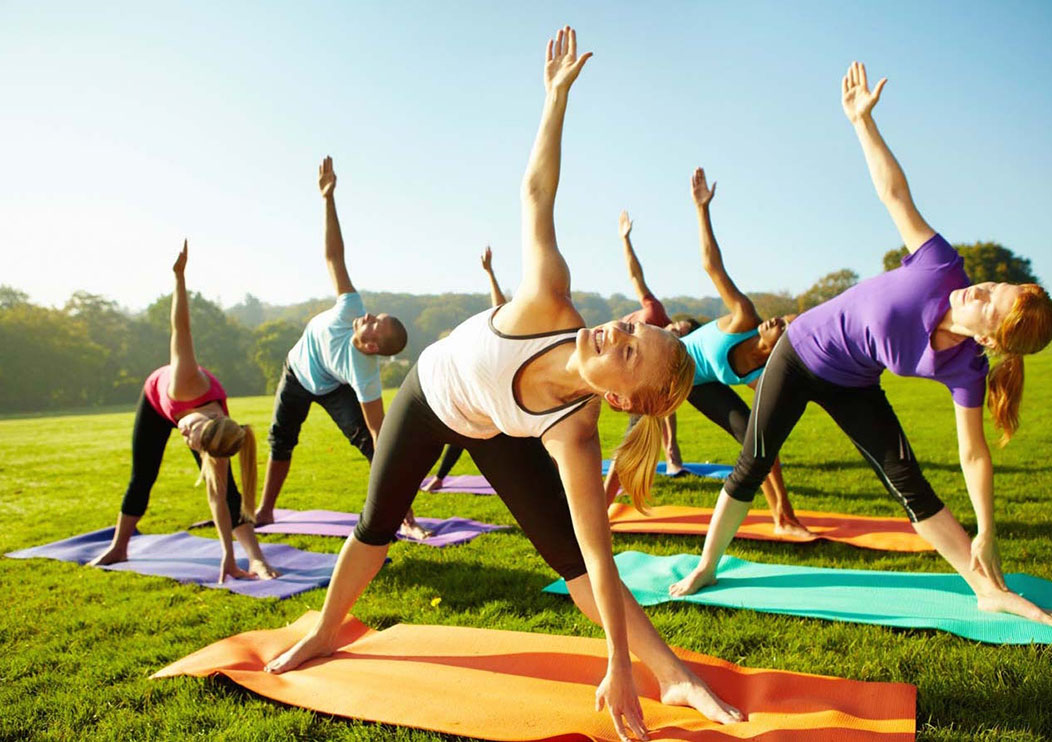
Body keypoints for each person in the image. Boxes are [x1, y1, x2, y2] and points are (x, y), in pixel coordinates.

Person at [265, 27, 744, 739]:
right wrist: (555, 99)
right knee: (376, 521)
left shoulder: (574, 434)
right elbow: (535, 192)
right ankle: (330, 629)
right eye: (629, 328)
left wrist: (621, 661)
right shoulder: (550, 299)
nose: (615, 331)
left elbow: (598, 563)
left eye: (626, 351)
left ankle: (669, 673)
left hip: (494, 426)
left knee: (571, 558)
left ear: (615, 397)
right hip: (429, 395)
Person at [669, 62, 1052, 631]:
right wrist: (862, 122)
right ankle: (708, 563)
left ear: (988, 337)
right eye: (992, 286)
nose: (979, 289)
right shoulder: (940, 266)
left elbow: (973, 454)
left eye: (990, 303)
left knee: (908, 482)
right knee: (753, 460)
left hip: (853, 382)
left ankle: (984, 589)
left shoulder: (966, 365)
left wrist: (987, 527)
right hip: (799, 352)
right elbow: (893, 193)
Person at [254, 156, 427, 540]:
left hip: (333, 387)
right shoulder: (350, 305)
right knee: (281, 438)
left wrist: (404, 504)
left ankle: (403, 516)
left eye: (373, 323)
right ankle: (265, 511)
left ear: (371, 345)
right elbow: (334, 256)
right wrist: (328, 198)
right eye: (373, 316)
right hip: (297, 372)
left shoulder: (364, 374)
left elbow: (379, 432)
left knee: (370, 445)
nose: (367, 317)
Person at [90, 242, 278, 583]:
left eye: (190, 441)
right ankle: (120, 546)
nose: (183, 436)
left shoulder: (219, 440)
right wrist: (179, 277)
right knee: (142, 475)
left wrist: (229, 554)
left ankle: (256, 557)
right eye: (189, 433)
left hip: (194, 421)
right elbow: (182, 329)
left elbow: (219, 500)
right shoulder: (187, 380)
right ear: (203, 421)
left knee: (228, 491)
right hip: (156, 399)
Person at [674, 166, 810, 537]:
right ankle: (600, 513)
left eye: (785, 325)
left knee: (758, 438)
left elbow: (779, 408)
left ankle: (783, 517)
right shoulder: (743, 317)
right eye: (782, 317)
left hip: (696, 386)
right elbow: (711, 265)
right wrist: (702, 209)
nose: (777, 321)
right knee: (636, 437)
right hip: (668, 365)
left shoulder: (761, 375)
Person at [602, 210, 698, 505]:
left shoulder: (659, 363)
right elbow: (635, 275)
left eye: (683, 335)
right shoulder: (654, 314)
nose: (678, 330)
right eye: (681, 326)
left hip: (623, 379)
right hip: (600, 357)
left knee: (641, 430)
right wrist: (625, 240)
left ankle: (669, 463)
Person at [421, 245, 507, 492]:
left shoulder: (509, 340)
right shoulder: (490, 341)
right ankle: (438, 477)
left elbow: (499, 307)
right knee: (460, 433)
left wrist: (490, 273)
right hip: (481, 400)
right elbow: (499, 308)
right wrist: (489, 272)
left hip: (501, 406)